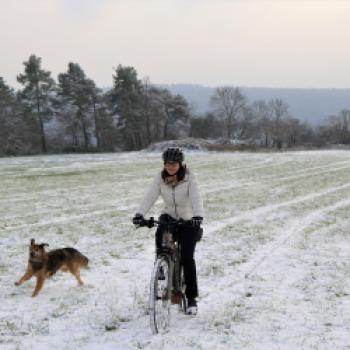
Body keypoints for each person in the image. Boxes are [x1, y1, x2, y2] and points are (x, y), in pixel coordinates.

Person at [132, 147, 204, 315]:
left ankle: (192, 298)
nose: (171, 167)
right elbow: (150, 195)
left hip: (188, 220)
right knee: (160, 233)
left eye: (174, 163)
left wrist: (198, 216)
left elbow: (196, 197)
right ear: (164, 164)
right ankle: (163, 265)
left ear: (180, 164)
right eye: (168, 164)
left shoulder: (189, 178)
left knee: (187, 258)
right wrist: (139, 214)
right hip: (170, 216)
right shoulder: (160, 178)